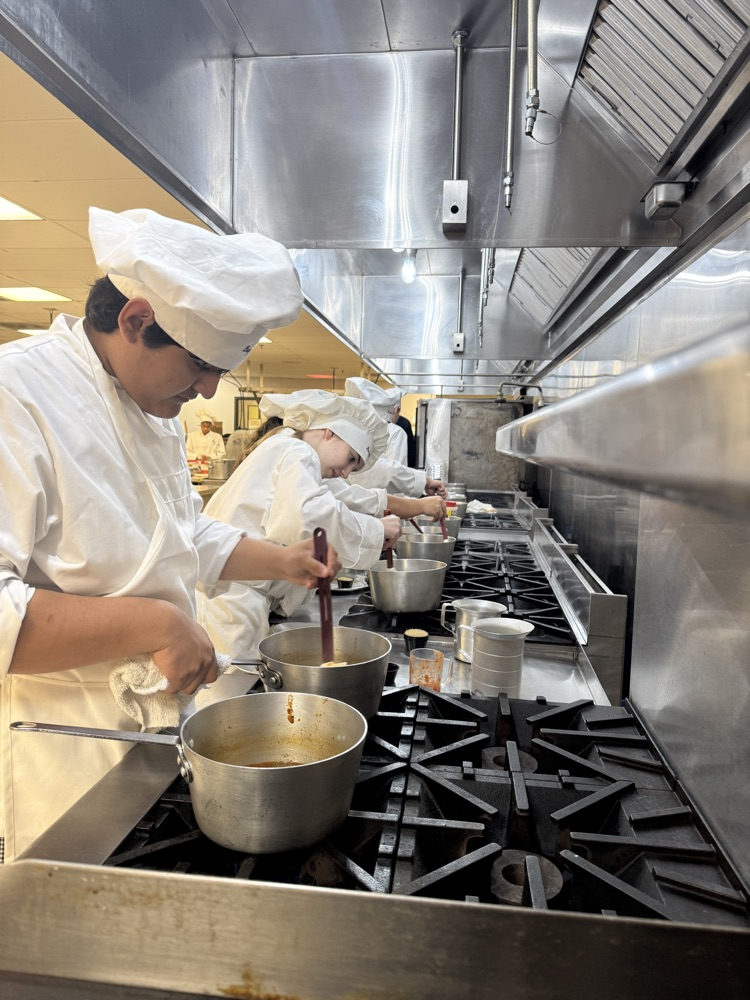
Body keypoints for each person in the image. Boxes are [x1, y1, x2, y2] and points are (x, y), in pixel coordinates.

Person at [0, 206, 340, 863]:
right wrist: (154, 624)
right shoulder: (18, 397)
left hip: (155, 732)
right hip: (67, 744)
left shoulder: (153, 410)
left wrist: (287, 559)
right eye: (201, 363)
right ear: (136, 320)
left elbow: (181, 535)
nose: (210, 388)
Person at [197, 389, 401, 658]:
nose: (346, 473)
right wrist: (377, 530)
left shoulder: (288, 449)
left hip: (232, 598)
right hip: (230, 605)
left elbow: (331, 500)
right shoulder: (296, 450)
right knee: (228, 690)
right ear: (329, 432)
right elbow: (310, 516)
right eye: (351, 459)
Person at [344, 377, 447, 497]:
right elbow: (381, 471)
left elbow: (384, 470)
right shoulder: (350, 437)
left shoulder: (350, 432)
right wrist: (423, 483)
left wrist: (423, 482)